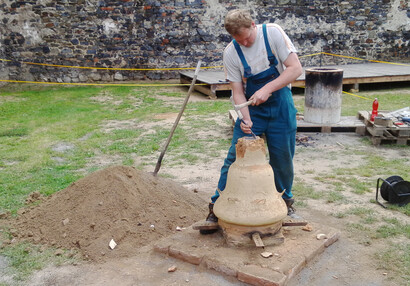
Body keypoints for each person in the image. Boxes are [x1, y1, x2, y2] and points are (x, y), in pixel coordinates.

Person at [200, 9, 303, 234]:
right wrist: (244, 118)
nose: (245, 43)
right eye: (240, 40)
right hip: (252, 109)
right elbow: (237, 92)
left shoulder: (273, 33)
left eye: (248, 37)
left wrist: (267, 89)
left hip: (281, 106)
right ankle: (216, 206)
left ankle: (285, 202)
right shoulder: (231, 53)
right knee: (234, 157)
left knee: (283, 157)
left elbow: (295, 68)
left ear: (253, 25)